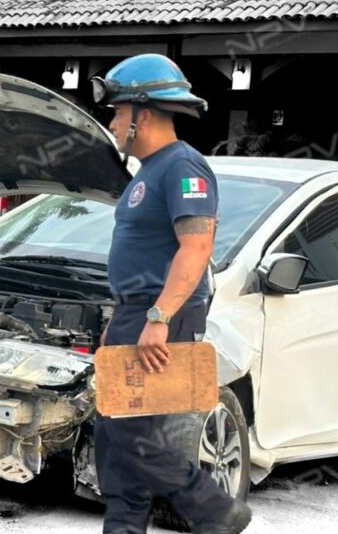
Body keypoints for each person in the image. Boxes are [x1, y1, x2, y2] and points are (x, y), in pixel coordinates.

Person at [92, 53, 250, 533]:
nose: (113, 124)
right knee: (113, 438)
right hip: (135, 314)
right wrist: (118, 323)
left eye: (118, 112)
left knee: (131, 434)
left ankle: (215, 509)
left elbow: (197, 246)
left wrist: (158, 317)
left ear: (143, 115)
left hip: (164, 315)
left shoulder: (183, 166)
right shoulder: (149, 170)